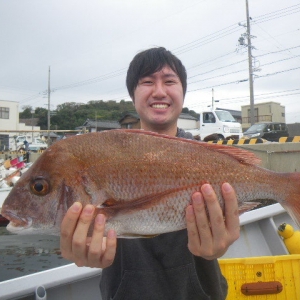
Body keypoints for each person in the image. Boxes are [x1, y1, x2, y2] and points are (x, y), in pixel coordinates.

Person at [60, 47, 240, 300]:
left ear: (183, 93)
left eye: (169, 81)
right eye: (147, 82)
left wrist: (220, 243)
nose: (159, 91)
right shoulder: (104, 158)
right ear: (133, 95)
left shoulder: (209, 157)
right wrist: (84, 248)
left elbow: (225, 222)